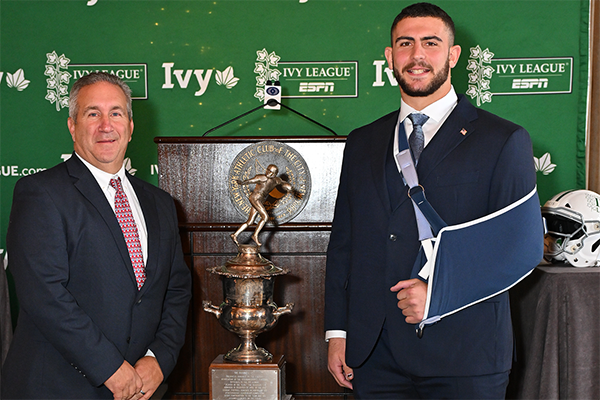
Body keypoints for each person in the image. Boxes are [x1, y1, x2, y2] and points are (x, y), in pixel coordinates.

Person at [324, 3, 537, 399]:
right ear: (390, 57)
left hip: (466, 356)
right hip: (373, 356)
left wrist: (438, 291)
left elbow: (519, 248)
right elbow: (344, 245)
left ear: (453, 55)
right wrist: (338, 332)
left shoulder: (502, 139)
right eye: (405, 44)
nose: (417, 55)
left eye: (431, 43)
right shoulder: (362, 142)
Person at [0, 72, 192, 400]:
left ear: (130, 127)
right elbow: (44, 295)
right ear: (72, 126)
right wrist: (110, 369)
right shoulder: (40, 193)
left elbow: (176, 290)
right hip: (60, 389)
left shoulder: (160, 203)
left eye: (116, 113)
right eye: (93, 113)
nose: (106, 125)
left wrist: (158, 360)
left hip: (145, 389)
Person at [231, 164, 299, 246]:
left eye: (271, 172)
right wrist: (242, 183)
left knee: (250, 222)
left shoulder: (276, 180)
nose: (268, 172)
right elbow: (251, 181)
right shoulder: (261, 177)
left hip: (260, 200)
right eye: (268, 169)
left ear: (274, 174)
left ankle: (235, 234)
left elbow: (283, 183)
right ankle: (255, 235)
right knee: (265, 217)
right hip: (255, 198)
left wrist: (291, 189)